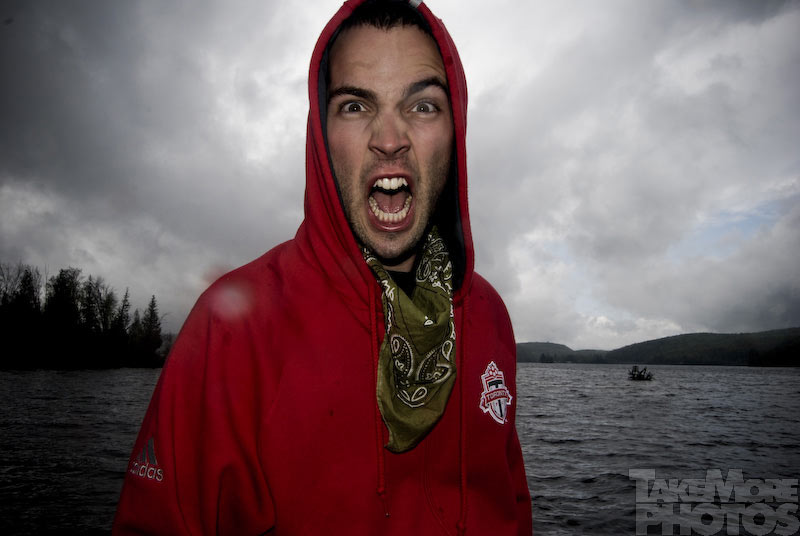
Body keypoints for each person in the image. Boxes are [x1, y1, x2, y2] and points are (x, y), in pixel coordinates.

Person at [113, 0, 532, 534]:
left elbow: (514, 507)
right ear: (320, 135)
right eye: (355, 106)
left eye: (423, 106)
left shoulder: (488, 314)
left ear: (456, 129)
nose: (389, 138)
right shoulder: (233, 331)